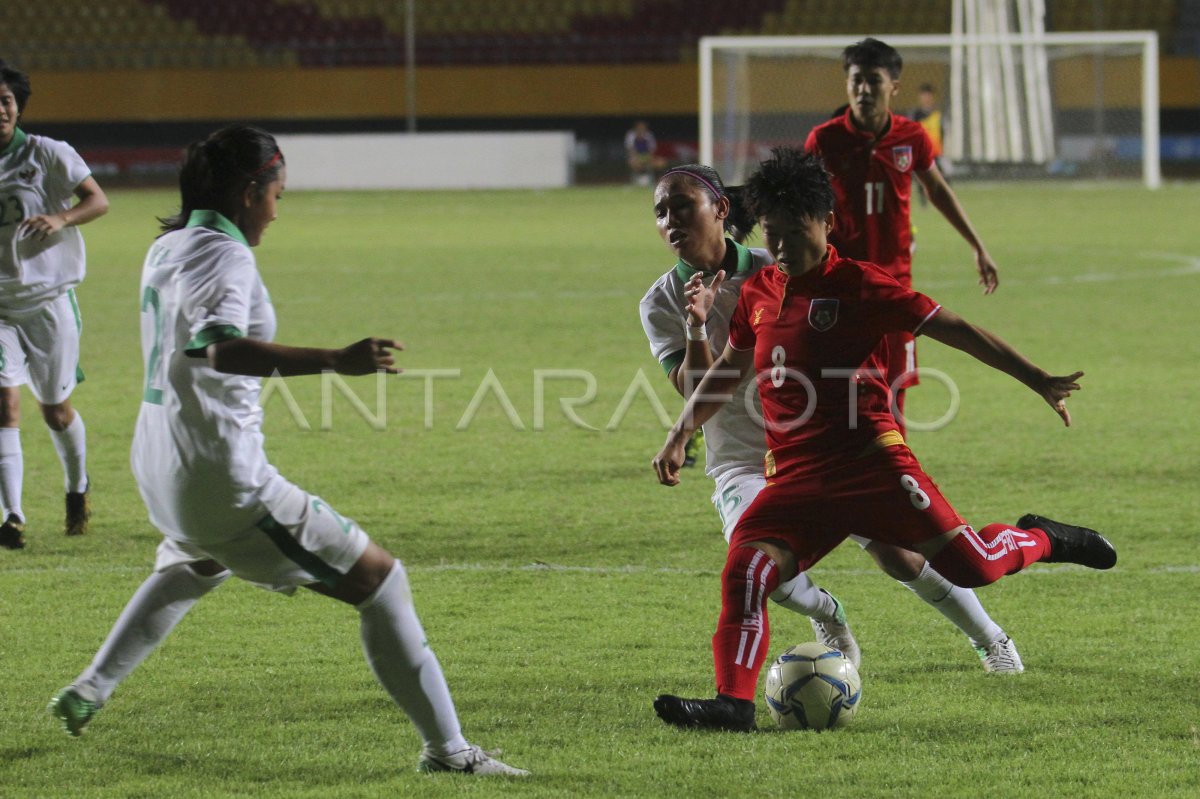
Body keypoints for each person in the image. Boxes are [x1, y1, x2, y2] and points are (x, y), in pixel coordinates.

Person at [47, 125, 528, 777]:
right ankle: (450, 751)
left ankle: (89, 688)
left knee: (195, 563)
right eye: (277, 192)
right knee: (381, 581)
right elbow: (221, 347)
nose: (278, 206)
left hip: (161, 457)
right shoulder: (224, 255)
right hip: (223, 475)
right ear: (249, 192)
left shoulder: (169, 244)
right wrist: (336, 359)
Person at [650, 148, 1116, 732]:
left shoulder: (862, 286)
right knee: (745, 570)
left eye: (795, 234)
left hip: (873, 466)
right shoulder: (760, 290)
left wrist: (1038, 379)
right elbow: (724, 372)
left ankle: (1043, 537)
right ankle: (733, 704)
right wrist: (680, 431)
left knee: (973, 566)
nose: (785, 248)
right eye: (774, 233)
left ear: (827, 224)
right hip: (797, 479)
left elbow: (958, 331)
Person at [639, 164, 1024, 677]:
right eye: (661, 212)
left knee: (901, 558)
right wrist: (694, 327)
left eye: (682, 205)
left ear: (720, 210)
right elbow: (694, 387)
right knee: (762, 575)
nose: (670, 220)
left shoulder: (777, 260)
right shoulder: (660, 301)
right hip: (741, 460)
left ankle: (990, 638)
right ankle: (828, 612)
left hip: (826, 449)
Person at [805, 38, 998, 435]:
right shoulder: (824, 140)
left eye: (873, 81)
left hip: (894, 289)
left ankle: (893, 478)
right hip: (839, 285)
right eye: (856, 80)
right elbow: (800, 206)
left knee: (894, 395)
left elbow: (938, 190)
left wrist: (977, 245)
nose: (863, 90)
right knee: (834, 390)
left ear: (893, 85)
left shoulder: (910, 137)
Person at [0, 59, 108, 549]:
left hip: (46, 301)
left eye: (6, 101)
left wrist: (63, 219)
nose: (1, 110)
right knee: (5, 402)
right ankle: (13, 516)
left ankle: (76, 486)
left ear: (19, 106)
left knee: (56, 411)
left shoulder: (48, 154)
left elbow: (97, 200)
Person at [910, 83, 946, 207]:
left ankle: (942, 200)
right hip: (922, 152)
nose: (926, 98)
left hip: (936, 152)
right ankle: (924, 202)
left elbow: (942, 132)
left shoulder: (937, 114)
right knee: (922, 178)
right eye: (923, 96)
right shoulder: (916, 115)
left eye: (928, 95)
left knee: (942, 176)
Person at [625, 120, 667, 186]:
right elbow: (631, 150)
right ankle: (637, 180)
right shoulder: (631, 135)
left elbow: (651, 150)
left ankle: (659, 181)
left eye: (642, 127)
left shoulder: (649, 135)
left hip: (647, 156)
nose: (641, 128)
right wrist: (637, 159)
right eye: (639, 126)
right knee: (633, 163)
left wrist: (648, 160)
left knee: (661, 162)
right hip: (636, 156)